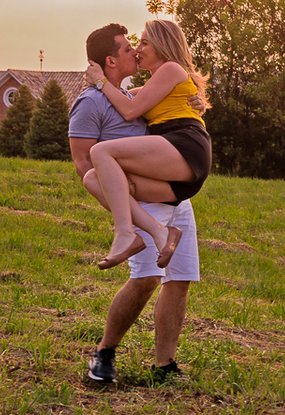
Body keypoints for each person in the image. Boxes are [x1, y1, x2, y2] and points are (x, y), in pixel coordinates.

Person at [70, 22, 201, 384]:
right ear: (111, 60)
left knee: (180, 278)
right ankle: (105, 352)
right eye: (129, 48)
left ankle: (164, 366)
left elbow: (175, 109)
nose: (136, 51)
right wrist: (121, 204)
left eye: (139, 45)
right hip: (140, 198)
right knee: (145, 278)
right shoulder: (91, 101)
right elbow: (85, 164)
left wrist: (196, 99)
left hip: (173, 192)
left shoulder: (135, 92)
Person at [83, 19, 212, 274]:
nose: (138, 49)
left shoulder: (171, 68)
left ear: (162, 46)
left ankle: (124, 233)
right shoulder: (154, 84)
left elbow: (129, 110)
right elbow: (123, 97)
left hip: (184, 144)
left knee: (100, 151)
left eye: (144, 42)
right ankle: (160, 232)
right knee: (93, 178)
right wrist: (96, 85)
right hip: (173, 169)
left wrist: (100, 82)